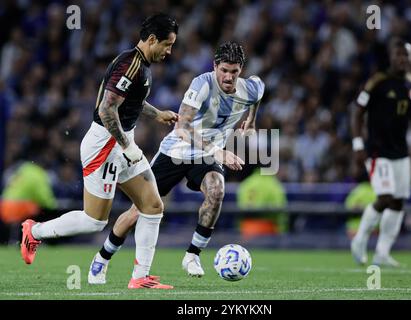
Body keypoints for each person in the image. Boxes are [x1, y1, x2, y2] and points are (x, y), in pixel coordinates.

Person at [20, 13, 179, 289]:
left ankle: (140, 277)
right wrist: (127, 146)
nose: (169, 51)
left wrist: (157, 115)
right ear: (152, 40)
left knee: (152, 206)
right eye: (167, 44)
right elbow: (107, 109)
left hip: (120, 142)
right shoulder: (131, 65)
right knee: (94, 221)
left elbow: (130, 102)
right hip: (105, 145)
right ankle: (34, 231)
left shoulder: (137, 65)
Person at [87, 41, 265, 284]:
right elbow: (182, 127)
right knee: (137, 212)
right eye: (224, 70)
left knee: (217, 190)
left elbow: (257, 95)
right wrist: (218, 151)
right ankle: (102, 258)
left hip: (205, 156)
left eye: (234, 72)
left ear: (241, 70)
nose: (228, 77)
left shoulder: (251, 89)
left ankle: (192, 255)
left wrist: (251, 122)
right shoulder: (202, 84)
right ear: (215, 66)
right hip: (176, 152)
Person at [350, 38, 411, 267]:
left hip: (401, 153)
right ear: (391, 57)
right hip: (377, 151)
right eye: (398, 54)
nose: (402, 59)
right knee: (385, 197)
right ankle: (360, 239)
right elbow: (357, 113)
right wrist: (358, 145)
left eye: (406, 55)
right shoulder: (377, 82)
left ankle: (382, 253)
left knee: (398, 203)